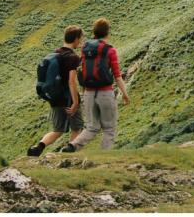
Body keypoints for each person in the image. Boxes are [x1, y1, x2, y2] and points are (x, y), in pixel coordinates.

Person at [61, 18, 130, 152]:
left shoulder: (85, 48)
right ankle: (104, 157)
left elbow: (83, 69)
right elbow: (117, 75)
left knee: (91, 127)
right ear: (108, 32)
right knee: (109, 128)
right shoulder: (110, 51)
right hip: (105, 93)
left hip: (88, 93)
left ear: (94, 31)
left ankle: (72, 145)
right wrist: (125, 94)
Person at [27, 25, 84, 156]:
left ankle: (38, 147)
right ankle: (70, 153)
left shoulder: (55, 54)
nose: (80, 42)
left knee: (58, 129)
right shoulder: (72, 57)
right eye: (79, 39)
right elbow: (71, 81)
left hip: (55, 98)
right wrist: (75, 102)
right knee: (77, 126)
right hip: (68, 98)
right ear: (76, 39)